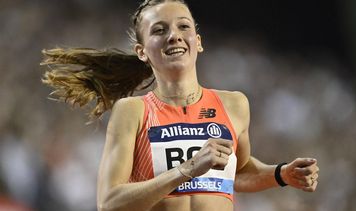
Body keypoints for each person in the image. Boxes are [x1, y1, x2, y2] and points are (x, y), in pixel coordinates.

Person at [41, 0, 319, 210]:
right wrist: (187, 169)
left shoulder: (234, 104)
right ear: (142, 52)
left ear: (198, 42)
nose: (173, 35)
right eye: (159, 30)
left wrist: (282, 174)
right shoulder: (133, 111)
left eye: (183, 26)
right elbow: (110, 202)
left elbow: (239, 172)